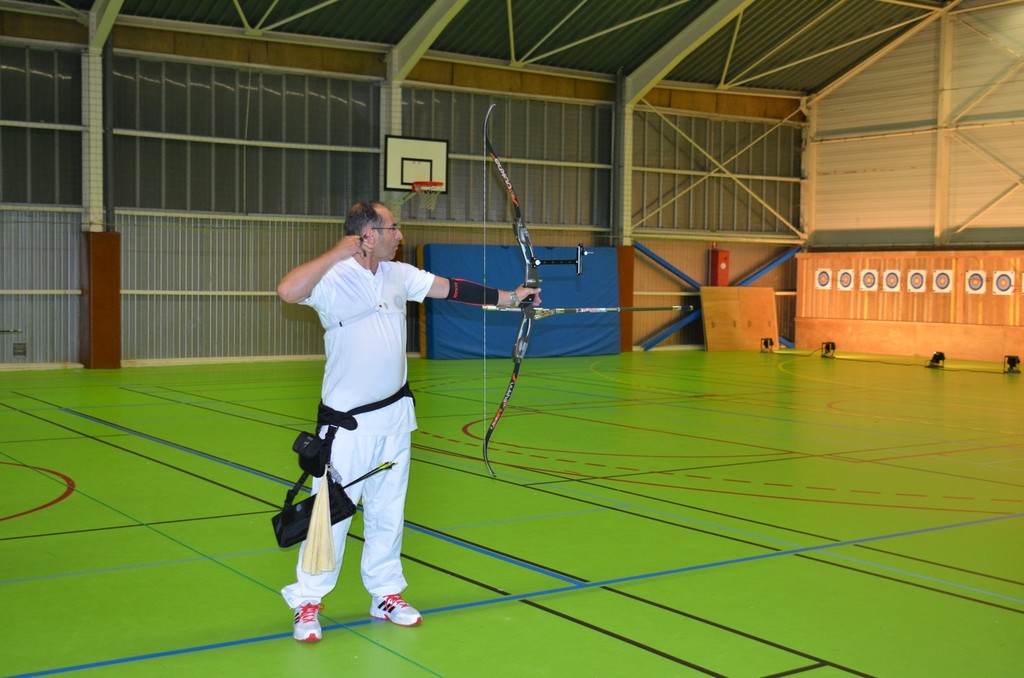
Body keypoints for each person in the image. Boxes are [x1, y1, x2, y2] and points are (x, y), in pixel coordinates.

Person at [276, 199, 539, 642]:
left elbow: (452, 289)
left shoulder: (399, 274)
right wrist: (338, 252)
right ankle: (308, 601)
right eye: (392, 228)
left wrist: (511, 299)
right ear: (367, 236)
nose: (400, 235)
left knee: (388, 512)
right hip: (346, 428)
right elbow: (287, 290)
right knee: (329, 515)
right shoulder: (332, 279)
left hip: (395, 420)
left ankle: (385, 593)